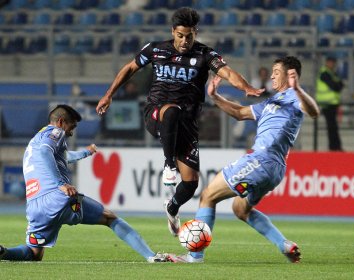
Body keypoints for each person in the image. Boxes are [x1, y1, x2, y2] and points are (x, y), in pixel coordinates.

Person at [96, 7, 263, 237]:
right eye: (180, 36)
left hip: (187, 125)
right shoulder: (155, 49)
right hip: (157, 114)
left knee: (191, 182)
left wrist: (247, 87)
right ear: (173, 31)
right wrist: (109, 94)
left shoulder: (205, 54)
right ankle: (168, 165)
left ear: (195, 32)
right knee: (172, 110)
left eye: (189, 36)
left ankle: (172, 207)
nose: (185, 41)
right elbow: (130, 68)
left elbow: (228, 72)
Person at [168, 56, 320, 263]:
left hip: (262, 160)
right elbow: (240, 113)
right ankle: (284, 244)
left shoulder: (294, 97)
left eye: (276, 71)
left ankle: (195, 256)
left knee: (208, 196)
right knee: (240, 209)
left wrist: (299, 89)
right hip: (274, 169)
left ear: (290, 74)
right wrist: (215, 97)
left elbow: (314, 111)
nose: (272, 75)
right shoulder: (271, 102)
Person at [0, 104, 171, 263]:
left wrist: (85, 153)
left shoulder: (35, 142)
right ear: (61, 122)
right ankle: (151, 256)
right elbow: (46, 152)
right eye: (71, 127)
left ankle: (4, 253)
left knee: (35, 254)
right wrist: (61, 184)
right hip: (57, 198)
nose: (71, 133)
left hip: (35, 206)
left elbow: (61, 156)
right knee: (110, 218)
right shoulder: (55, 132)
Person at [316, 56, 344, 151]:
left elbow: (340, 85)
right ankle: (334, 147)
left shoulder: (331, 73)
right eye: (330, 62)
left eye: (333, 62)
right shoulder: (325, 73)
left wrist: (338, 84)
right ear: (327, 62)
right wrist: (338, 84)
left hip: (332, 104)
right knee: (332, 127)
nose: (332, 64)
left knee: (333, 126)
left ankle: (335, 147)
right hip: (327, 104)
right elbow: (336, 86)